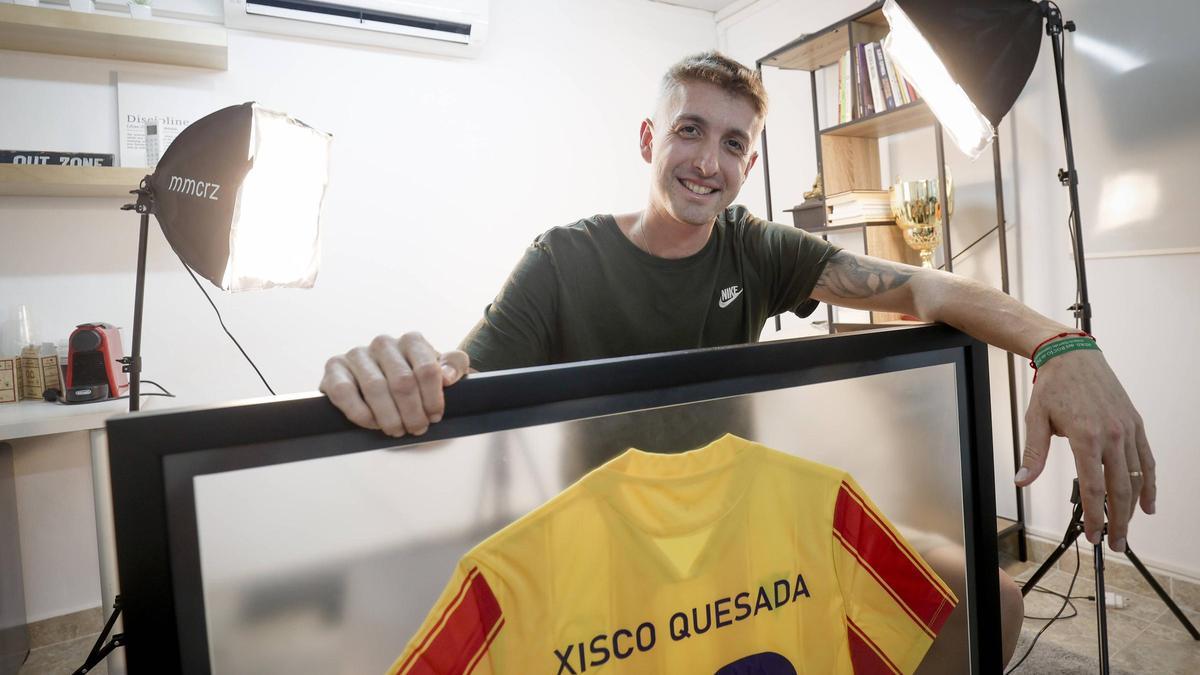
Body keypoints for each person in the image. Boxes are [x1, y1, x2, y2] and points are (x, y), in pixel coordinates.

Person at [321, 52, 1155, 671]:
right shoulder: (564, 258)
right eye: (689, 131)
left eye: (733, 143)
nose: (707, 162)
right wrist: (392, 372)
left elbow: (925, 289)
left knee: (989, 601)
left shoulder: (756, 250)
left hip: (748, 523)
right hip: (614, 547)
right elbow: (460, 380)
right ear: (651, 137)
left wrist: (1061, 343)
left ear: (750, 164)